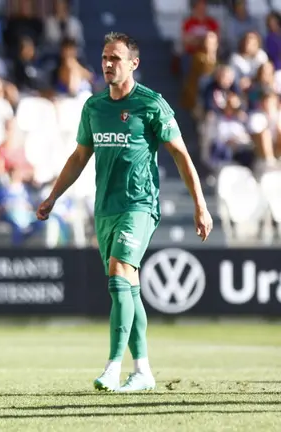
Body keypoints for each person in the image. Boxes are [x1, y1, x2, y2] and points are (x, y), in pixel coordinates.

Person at [36, 32, 213, 392]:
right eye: (104, 57)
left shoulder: (152, 104)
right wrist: (53, 196)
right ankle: (143, 371)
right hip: (106, 208)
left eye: (115, 58)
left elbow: (181, 154)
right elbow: (79, 157)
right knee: (127, 287)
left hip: (140, 205)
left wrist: (200, 205)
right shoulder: (94, 107)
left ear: (134, 64)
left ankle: (113, 367)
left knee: (120, 272)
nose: (108, 64)